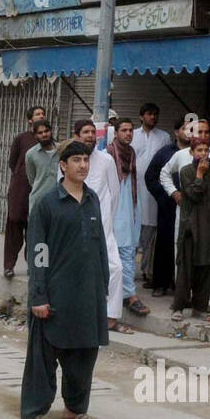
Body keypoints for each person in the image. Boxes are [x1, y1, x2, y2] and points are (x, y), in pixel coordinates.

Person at [20, 140, 110, 419]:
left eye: (86, 160)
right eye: (76, 161)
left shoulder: (93, 199)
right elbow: (38, 252)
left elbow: (100, 247)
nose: (83, 165)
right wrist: (39, 295)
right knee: (44, 359)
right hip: (56, 294)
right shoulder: (47, 204)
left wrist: (103, 287)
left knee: (84, 357)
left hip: (88, 294)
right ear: (63, 166)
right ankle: (36, 413)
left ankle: (75, 410)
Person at [172, 142, 210, 321]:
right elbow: (194, 194)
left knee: (205, 268)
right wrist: (200, 174)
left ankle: (199, 308)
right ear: (192, 152)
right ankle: (179, 308)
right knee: (185, 269)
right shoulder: (187, 171)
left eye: (206, 150)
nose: (203, 154)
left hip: (209, 226)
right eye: (199, 150)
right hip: (190, 226)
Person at [78, 119, 125, 331]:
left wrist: (106, 219)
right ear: (77, 135)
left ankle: (111, 316)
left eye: (92, 132)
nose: (89, 135)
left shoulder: (106, 160)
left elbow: (114, 194)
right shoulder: (68, 160)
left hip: (103, 226)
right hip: (76, 227)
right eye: (85, 132)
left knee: (115, 268)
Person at [109, 117, 149, 316]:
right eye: (123, 130)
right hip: (117, 207)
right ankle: (130, 295)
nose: (128, 134)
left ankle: (125, 293)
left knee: (130, 250)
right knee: (122, 251)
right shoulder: (109, 153)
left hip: (131, 203)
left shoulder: (131, 152)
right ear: (115, 133)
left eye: (130, 130)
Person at [144, 118, 187, 297]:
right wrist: (165, 195)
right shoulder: (165, 153)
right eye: (186, 129)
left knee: (187, 246)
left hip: (191, 208)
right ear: (176, 132)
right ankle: (161, 283)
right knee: (165, 244)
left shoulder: (199, 153)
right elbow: (150, 177)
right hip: (168, 206)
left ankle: (183, 286)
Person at [131, 103, 172, 287]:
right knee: (133, 234)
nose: (152, 117)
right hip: (134, 190)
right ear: (141, 117)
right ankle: (130, 271)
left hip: (155, 192)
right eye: (149, 114)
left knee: (150, 235)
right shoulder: (133, 135)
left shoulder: (164, 137)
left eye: (155, 114)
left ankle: (147, 271)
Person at [3, 106, 44, 278]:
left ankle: (36, 267)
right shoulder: (21, 138)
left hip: (40, 192)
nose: (41, 116)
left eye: (43, 114)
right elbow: (13, 163)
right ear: (30, 120)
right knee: (14, 226)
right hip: (20, 190)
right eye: (37, 114)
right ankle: (8, 266)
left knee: (37, 230)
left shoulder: (48, 141)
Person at [24, 119, 59, 212]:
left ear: (51, 131)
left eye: (46, 131)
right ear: (35, 135)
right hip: (38, 201)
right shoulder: (31, 154)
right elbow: (32, 178)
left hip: (59, 201)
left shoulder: (62, 150)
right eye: (40, 133)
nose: (44, 134)